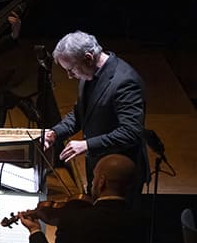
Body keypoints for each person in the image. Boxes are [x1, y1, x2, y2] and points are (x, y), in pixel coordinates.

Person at [44, 31, 149, 204]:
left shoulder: (125, 82)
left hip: (120, 175)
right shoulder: (88, 74)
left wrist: (87, 145)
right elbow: (79, 114)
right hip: (99, 169)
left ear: (88, 57)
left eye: (71, 70)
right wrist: (55, 133)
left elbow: (131, 132)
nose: (70, 76)